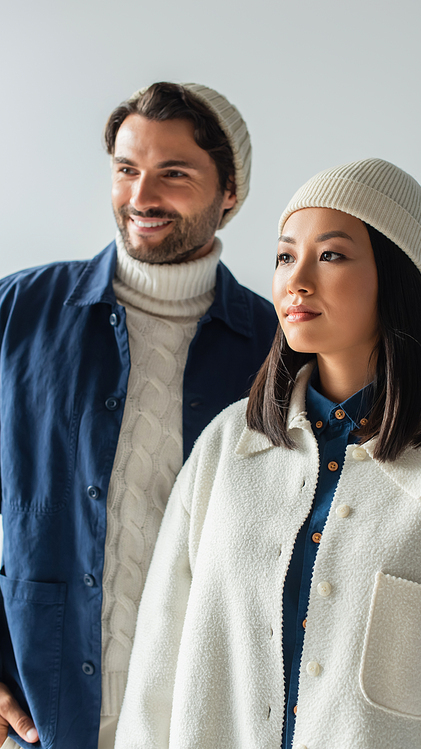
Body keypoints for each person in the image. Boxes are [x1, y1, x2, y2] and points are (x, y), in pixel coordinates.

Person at [115, 158, 421, 749]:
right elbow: (157, 669)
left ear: (395, 276)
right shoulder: (226, 445)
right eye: (285, 256)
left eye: (332, 255)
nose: (297, 279)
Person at [0, 82, 277, 749]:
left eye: (174, 174)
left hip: (207, 721)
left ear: (230, 192)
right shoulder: (19, 313)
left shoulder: (277, 347)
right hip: (40, 720)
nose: (142, 197)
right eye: (127, 170)